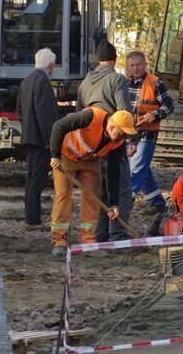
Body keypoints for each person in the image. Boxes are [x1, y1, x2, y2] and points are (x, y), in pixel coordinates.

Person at [48, 107, 137, 255]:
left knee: (93, 199)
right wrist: (54, 155)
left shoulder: (118, 143)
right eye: (122, 134)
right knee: (63, 196)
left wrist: (113, 203)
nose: (123, 139)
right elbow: (59, 126)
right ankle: (60, 241)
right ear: (112, 126)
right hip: (66, 156)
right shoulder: (90, 117)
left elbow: (113, 172)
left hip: (90, 161)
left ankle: (88, 242)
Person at [76, 41, 133, 241]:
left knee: (98, 191)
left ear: (97, 60)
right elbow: (124, 113)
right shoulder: (117, 80)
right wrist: (131, 140)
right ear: (115, 59)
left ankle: (100, 236)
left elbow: (78, 115)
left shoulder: (85, 82)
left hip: (90, 147)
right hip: (112, 143)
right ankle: (119, 233)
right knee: (121, 189)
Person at [16, 48, 61, 232]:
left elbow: (19, 109)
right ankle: (33, 220)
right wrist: (50, 140)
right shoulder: (43, 81)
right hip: (41, 139)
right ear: (51, 65)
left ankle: (31, 217)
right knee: (37, 179)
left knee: (31, 177)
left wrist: (27, 127)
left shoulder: (26, 81)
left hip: (29, 136)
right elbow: (45, 114)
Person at [125, 51, 175, 213]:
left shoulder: (155, 83)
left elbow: (169, 105)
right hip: (129, 133)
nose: (135, 68)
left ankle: (126, 201)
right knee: (143, 170)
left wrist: (155, 114)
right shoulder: (124, 83)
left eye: (138, 65)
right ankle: (158, 203)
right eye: (132, 65)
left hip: (147, 134)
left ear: (145, 65)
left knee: (136, 169)